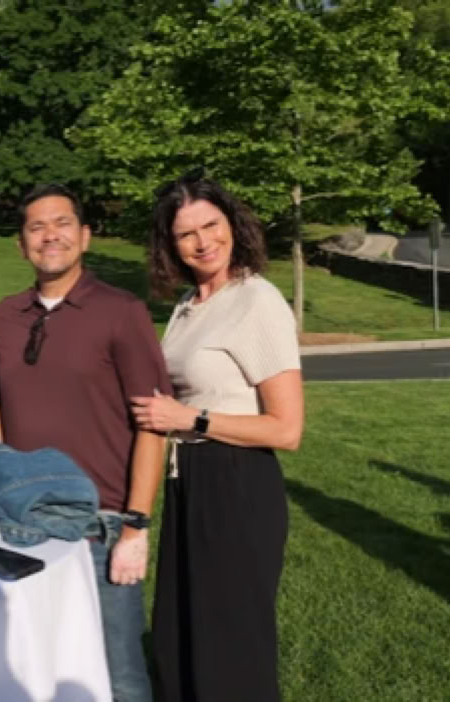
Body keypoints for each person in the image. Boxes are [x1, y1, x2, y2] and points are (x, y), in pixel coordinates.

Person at [0, 183, 171, 702]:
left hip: (100, 527)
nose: (50, 235)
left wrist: (135, 526)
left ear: (85, 236)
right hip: (21, 524)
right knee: (33, 669)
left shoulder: (121, 311)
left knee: (120, 676)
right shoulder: (5, 316)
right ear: (21, 244)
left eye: (62, 223)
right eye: (36, 226)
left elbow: (152, 423)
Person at [130, 172, 304, 702]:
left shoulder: (256, 299)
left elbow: (287, 429)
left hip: (238, 482)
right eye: (187, 234)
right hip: (189, 482)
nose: (203, 242)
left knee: (229, 646)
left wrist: (192, 418)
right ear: (170, 245)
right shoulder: (189, 305)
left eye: (211, 225)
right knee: (181, 636)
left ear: (233, 223)